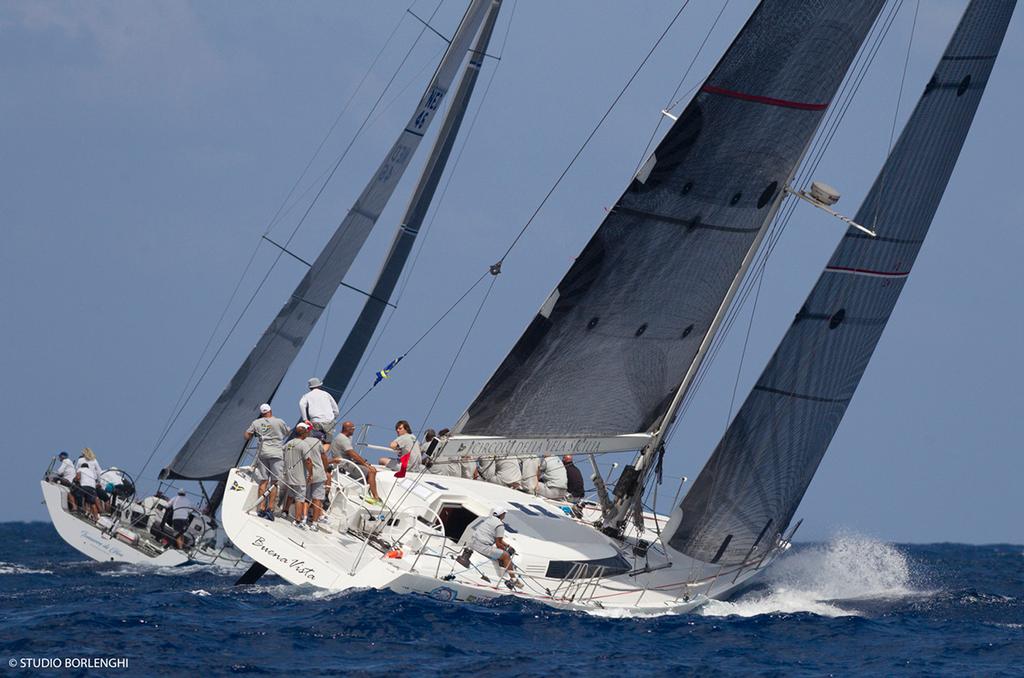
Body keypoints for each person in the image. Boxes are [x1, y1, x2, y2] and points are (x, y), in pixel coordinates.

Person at [244, 403, 290, 521]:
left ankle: (261, 508)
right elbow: (287, 432)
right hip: (276, 454)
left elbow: (246, 436)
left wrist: (255, 433)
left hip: (263, 454)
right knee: (274, 482)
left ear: (261, 412)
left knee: (263, 481)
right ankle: (270, 509)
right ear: (270, 411)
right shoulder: (279, 422)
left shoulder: (256, 423)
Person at [466, 506, 521, 588]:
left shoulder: (489, 519)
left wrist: (507, 545)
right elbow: (498, 544)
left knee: (502, 552)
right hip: (482, 547)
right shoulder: (500, 525)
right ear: (502, 514)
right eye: (504, 513)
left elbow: (497, 539)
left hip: (472, 543)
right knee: (506, 556)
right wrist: (507, 550)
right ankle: (513, 579)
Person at [328, 421, 381, 503]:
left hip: (347, 463)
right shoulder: (343, 439)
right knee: (371, 471)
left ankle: (366, 492)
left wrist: (364, 462)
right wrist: (365, 464)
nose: (354, 430)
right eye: (353, 428)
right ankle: (376, 498)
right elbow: (352, 454)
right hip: (344, 465)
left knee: (370, 469)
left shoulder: (342, 437)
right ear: (347, 429)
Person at [282, 422, 316, 527]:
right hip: (299, 476)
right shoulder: (304, 445)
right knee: (300, 498)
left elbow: (282, 455)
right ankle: (297, 520)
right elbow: (308, 461)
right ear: (305, 433)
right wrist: (310, 474)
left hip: (288, 475)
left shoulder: (289, 443)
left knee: (291, 494)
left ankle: (285, 511)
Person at [303, 427, 331, 528]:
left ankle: (304, 518)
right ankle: (314, 523)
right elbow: (324, 458)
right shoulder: (318, 443)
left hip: (306, 474)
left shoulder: (304, 441)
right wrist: (327, 469)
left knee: (306, 498)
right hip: (318, 474)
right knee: (317, 499)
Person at [298, 377, 339, 443]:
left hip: (315, 422)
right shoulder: (326, 394)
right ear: (320, 385)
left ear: (310, 387)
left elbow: (301, 404)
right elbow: (336, 410)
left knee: (315, 441)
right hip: (329, 421)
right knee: (327, 442)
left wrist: (305, 419)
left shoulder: (307, 395)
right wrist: (333, 418)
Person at [74, 449, 102, 520]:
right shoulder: (94, 460)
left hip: (84, 484)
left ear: (84, 453)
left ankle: (81, 511)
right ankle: (96, 518)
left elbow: (76, 470)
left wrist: (75, 479)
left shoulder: (80, 460)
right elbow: (99, 472)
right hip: (93, 484)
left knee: (78, 494)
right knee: (92, 502)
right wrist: (99, 482)